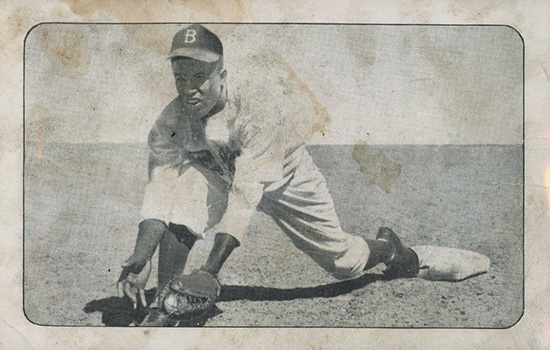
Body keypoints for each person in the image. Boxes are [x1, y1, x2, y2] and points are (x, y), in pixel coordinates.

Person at [117, 24, 420, 325]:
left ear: (221, 77)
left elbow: (244, 199)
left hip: (287, 181)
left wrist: (210, 270)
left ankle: (389, 248)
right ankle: (164, 304)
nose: (188, 88)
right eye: (179, 78)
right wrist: (142, 254)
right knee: (186, 196)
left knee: (343, 261)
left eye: (199, 77)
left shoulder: (255, 108)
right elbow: (160, 191)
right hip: (223, 176)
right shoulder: (169, 121)